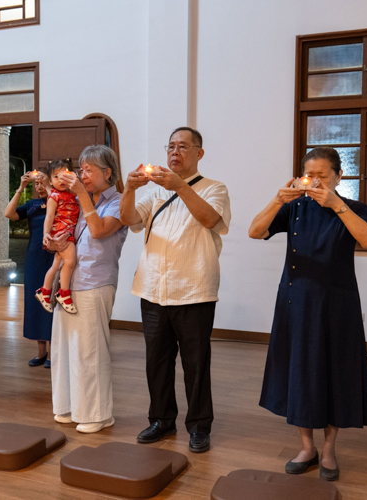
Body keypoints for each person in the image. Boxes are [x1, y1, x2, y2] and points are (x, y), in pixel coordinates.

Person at [248, 146, 367, 481]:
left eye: (323, 176)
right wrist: (278, 200)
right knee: (300, 373)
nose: (316, 182)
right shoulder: (294, 208)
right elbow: (254, 230)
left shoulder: (354, 208)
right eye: (311, 176)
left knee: (335, 373)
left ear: (338, 176)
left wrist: (337, 206)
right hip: (295, 302)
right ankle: (307, 447)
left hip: (338, 305)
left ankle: (330, 450)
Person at [120, 127, 231, 453]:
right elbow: (129, 219)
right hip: (153, 288)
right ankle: (161, 420)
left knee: (196, 364)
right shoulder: (155, 193)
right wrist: (128, 188)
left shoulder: (214, 188)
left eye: (183, 147)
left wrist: (180, 186)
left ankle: (199, 426)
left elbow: (210, 219)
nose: (174, 152)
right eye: (170, 146)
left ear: (199, 153)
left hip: (195, 289)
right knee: (157, 361)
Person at [47, 145, 127, 433]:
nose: (83, 175)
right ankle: (68, 406)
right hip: (68, 283)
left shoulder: (118, 201)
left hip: (96, 282)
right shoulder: (75, 200)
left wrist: (81, 192)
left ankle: (98, 414)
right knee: (63, 348)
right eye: (81, 170)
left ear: (108, 172)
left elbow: (98, 231)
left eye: (89, 170)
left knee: (90, 351)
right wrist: (55, 242)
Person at [5, 168, 55, 368]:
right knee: (35, 301)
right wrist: (21, 188)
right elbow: (9, 213)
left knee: (51, 301)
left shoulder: (61, 201)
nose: (40, 187)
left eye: (43, 183)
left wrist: (50, 188)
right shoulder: (33, 204)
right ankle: (41, 352)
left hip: (54, 257)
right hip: (35, 257)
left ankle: (54, 352)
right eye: (37, 184)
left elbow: (58, 206)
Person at [35, 159, 80, 314]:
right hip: (62, 234)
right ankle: (64, 293)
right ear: (50, 180)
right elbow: (49, 217)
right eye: (56, 177)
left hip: (66, 232)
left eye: (65, 176)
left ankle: (44, 291)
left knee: (56, 265)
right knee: (70, 262)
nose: (61, 180)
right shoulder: (54, 196)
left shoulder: (72, 195)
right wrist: (46, 234)